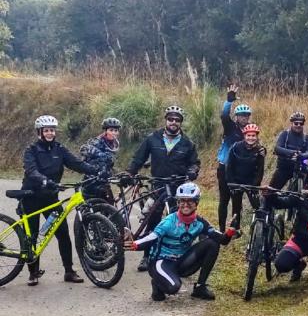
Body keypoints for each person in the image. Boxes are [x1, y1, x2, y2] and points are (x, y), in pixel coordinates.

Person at [21, 115, 100, 285]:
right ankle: (33, 272)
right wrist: (44, 180)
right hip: (31, 197)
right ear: (40, 132)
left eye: (52, 130)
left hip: (51, 199)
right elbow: (31, 170)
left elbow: (76, 163)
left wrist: (95, 171)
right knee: (32, 236)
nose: (50, 133)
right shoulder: (31, 150)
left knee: (63, 234)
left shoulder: (59, 149)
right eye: (46, 130)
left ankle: (69, 271)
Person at [125, 182, 238, 301]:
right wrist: (135, 244)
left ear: (196, 203)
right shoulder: (169, 221)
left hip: (181, 262)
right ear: (178, 203)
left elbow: (222, 240)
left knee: (212, 243)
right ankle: (157, 284)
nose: (185, 205)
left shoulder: (199, 223)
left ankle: (200, 287)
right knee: (173, 288)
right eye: (182, 201)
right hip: (161, 262)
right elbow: (151, 237)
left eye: (190, 201)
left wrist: (230, 231)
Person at [127, 105, 201, 271]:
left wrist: (192, 172)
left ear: (180, 123)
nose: (173, 122)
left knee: (179, 222)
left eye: (177, 120)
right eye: (170, 119)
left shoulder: (187, 143)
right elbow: (139, 158)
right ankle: (147, 257)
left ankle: (179, 257)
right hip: (158, 185)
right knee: (153, 221)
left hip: (178, 188)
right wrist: (130, 172)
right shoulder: (153, 138)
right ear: (166, 120)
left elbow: (194, 163)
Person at [216, 84, 252, 231]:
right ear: (236, 117)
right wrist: (229, 101)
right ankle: (222, 228)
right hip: (225, 167)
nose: (244, 118)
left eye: (246, 115)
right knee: (224, 199)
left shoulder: (251, 130)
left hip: (240, 170)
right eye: (241, 115)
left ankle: (235, 228)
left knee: (237, 201)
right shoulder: (230, 127)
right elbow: (224, 116)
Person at [224, 123, 265, 229]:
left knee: (257, 206)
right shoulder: (235, 147)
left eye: (253, 136)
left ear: (256, 137)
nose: (251, 138)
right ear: (244, 135)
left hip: (251, 183)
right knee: (236, 207)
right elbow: (229, 166)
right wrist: (231, 182)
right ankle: (235, 229)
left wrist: (255, 184)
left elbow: (260, 170)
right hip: (236, 181)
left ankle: (260, 227)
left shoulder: (260, 150)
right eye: (248, 135)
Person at [268, 111, 308, 190]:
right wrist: (292, 153)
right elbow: (277, 148)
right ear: (292, 123)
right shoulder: (284, 134)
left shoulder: (307, 138)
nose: (298, 125)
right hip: (284, 168)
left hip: (300, 167)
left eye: (301, 123)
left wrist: (301, 156)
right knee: (271, 191)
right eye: (296, 123)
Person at [79, 117, 122, 202]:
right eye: (111, 130)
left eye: (116, 130)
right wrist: (101, 155)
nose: (114, 133)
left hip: (104, 182)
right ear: (105, 131)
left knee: (110, 210)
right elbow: (83, 149)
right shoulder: (97, 141)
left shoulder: (113, 144)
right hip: (91, 182)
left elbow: (108, 163)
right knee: (89, 210)